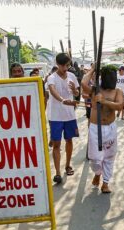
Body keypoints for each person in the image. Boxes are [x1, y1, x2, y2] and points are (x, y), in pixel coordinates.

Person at [81, 64, 124, 193]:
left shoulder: (118, 91)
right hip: (95, 128)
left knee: (109, 156)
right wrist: (94, 69)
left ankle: (105, 183)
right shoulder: (95, 90)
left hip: (109, 128)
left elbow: (119, 106)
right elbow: (83, 83)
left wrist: (104, 101)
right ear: (103, 78)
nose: (113, 80)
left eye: (114, 77)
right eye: (110, 77)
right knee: (95, 157)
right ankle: (97, 173)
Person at [47, 53, 80, 184]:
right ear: (58, 65)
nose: (66, 68)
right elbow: (52, 91)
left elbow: (77, 93)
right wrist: (63, 100)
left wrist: (75, 92)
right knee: (56, 144)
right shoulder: (51, 78)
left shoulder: (72, 76)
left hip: (69, 115)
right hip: (55, 116)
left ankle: (67, 165)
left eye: (68, 65)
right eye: (63, 65)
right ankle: (57, 173)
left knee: (69, 140)